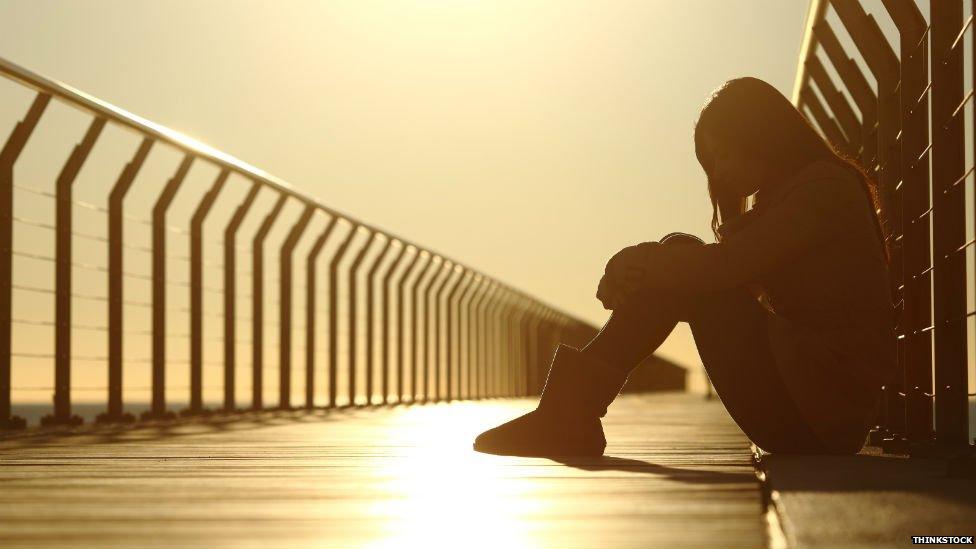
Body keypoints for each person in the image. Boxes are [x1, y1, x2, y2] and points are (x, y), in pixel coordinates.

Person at [473, 77, 897, 457]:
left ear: (759, 133)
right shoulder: (791, 194)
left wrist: (637, 260)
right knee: (680, 256)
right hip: (809, 401)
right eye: (711, 164)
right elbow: (727, 272)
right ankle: (568, 414)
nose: (720, 172)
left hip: (818, 415)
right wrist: (651, 262)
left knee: (682, 267)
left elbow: (724, 269)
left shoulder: (821, 189)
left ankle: (566, 414)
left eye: (722, 154)